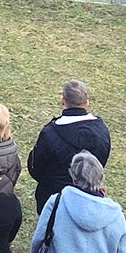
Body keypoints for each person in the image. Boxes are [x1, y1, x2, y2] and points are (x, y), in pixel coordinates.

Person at [28, 80, 111, 214]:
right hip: (87, 198)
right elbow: (99, 164)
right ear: (86, 102)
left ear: (63, 100)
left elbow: (36, 168)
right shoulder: (102, 131)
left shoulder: (50, 134)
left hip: (53, 200)